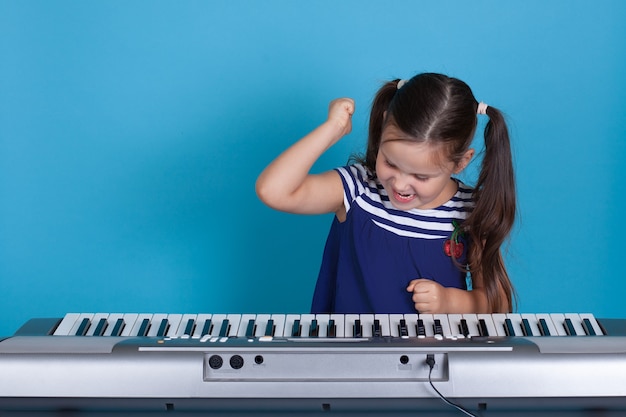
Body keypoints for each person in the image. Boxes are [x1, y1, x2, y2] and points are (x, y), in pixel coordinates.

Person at [256, 72, 516, 314]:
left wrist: (452, 301)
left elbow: (498, 303)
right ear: (382, 132)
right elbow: (274, 191)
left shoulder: (471, 210)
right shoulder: (357, 189)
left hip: (433, 359)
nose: (400, 185)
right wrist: (332, 128)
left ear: (461, 163)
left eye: (421, 176)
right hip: (350, 357)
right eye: (390, 163)